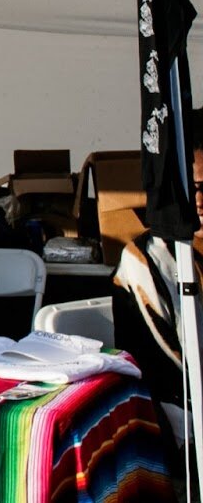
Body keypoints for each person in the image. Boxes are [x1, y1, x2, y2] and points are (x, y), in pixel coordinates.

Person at [113, 122, 203, 457]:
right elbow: (163, 372)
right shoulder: (148, 259)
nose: (200, 201)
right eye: (190, 188)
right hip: (182, 428)